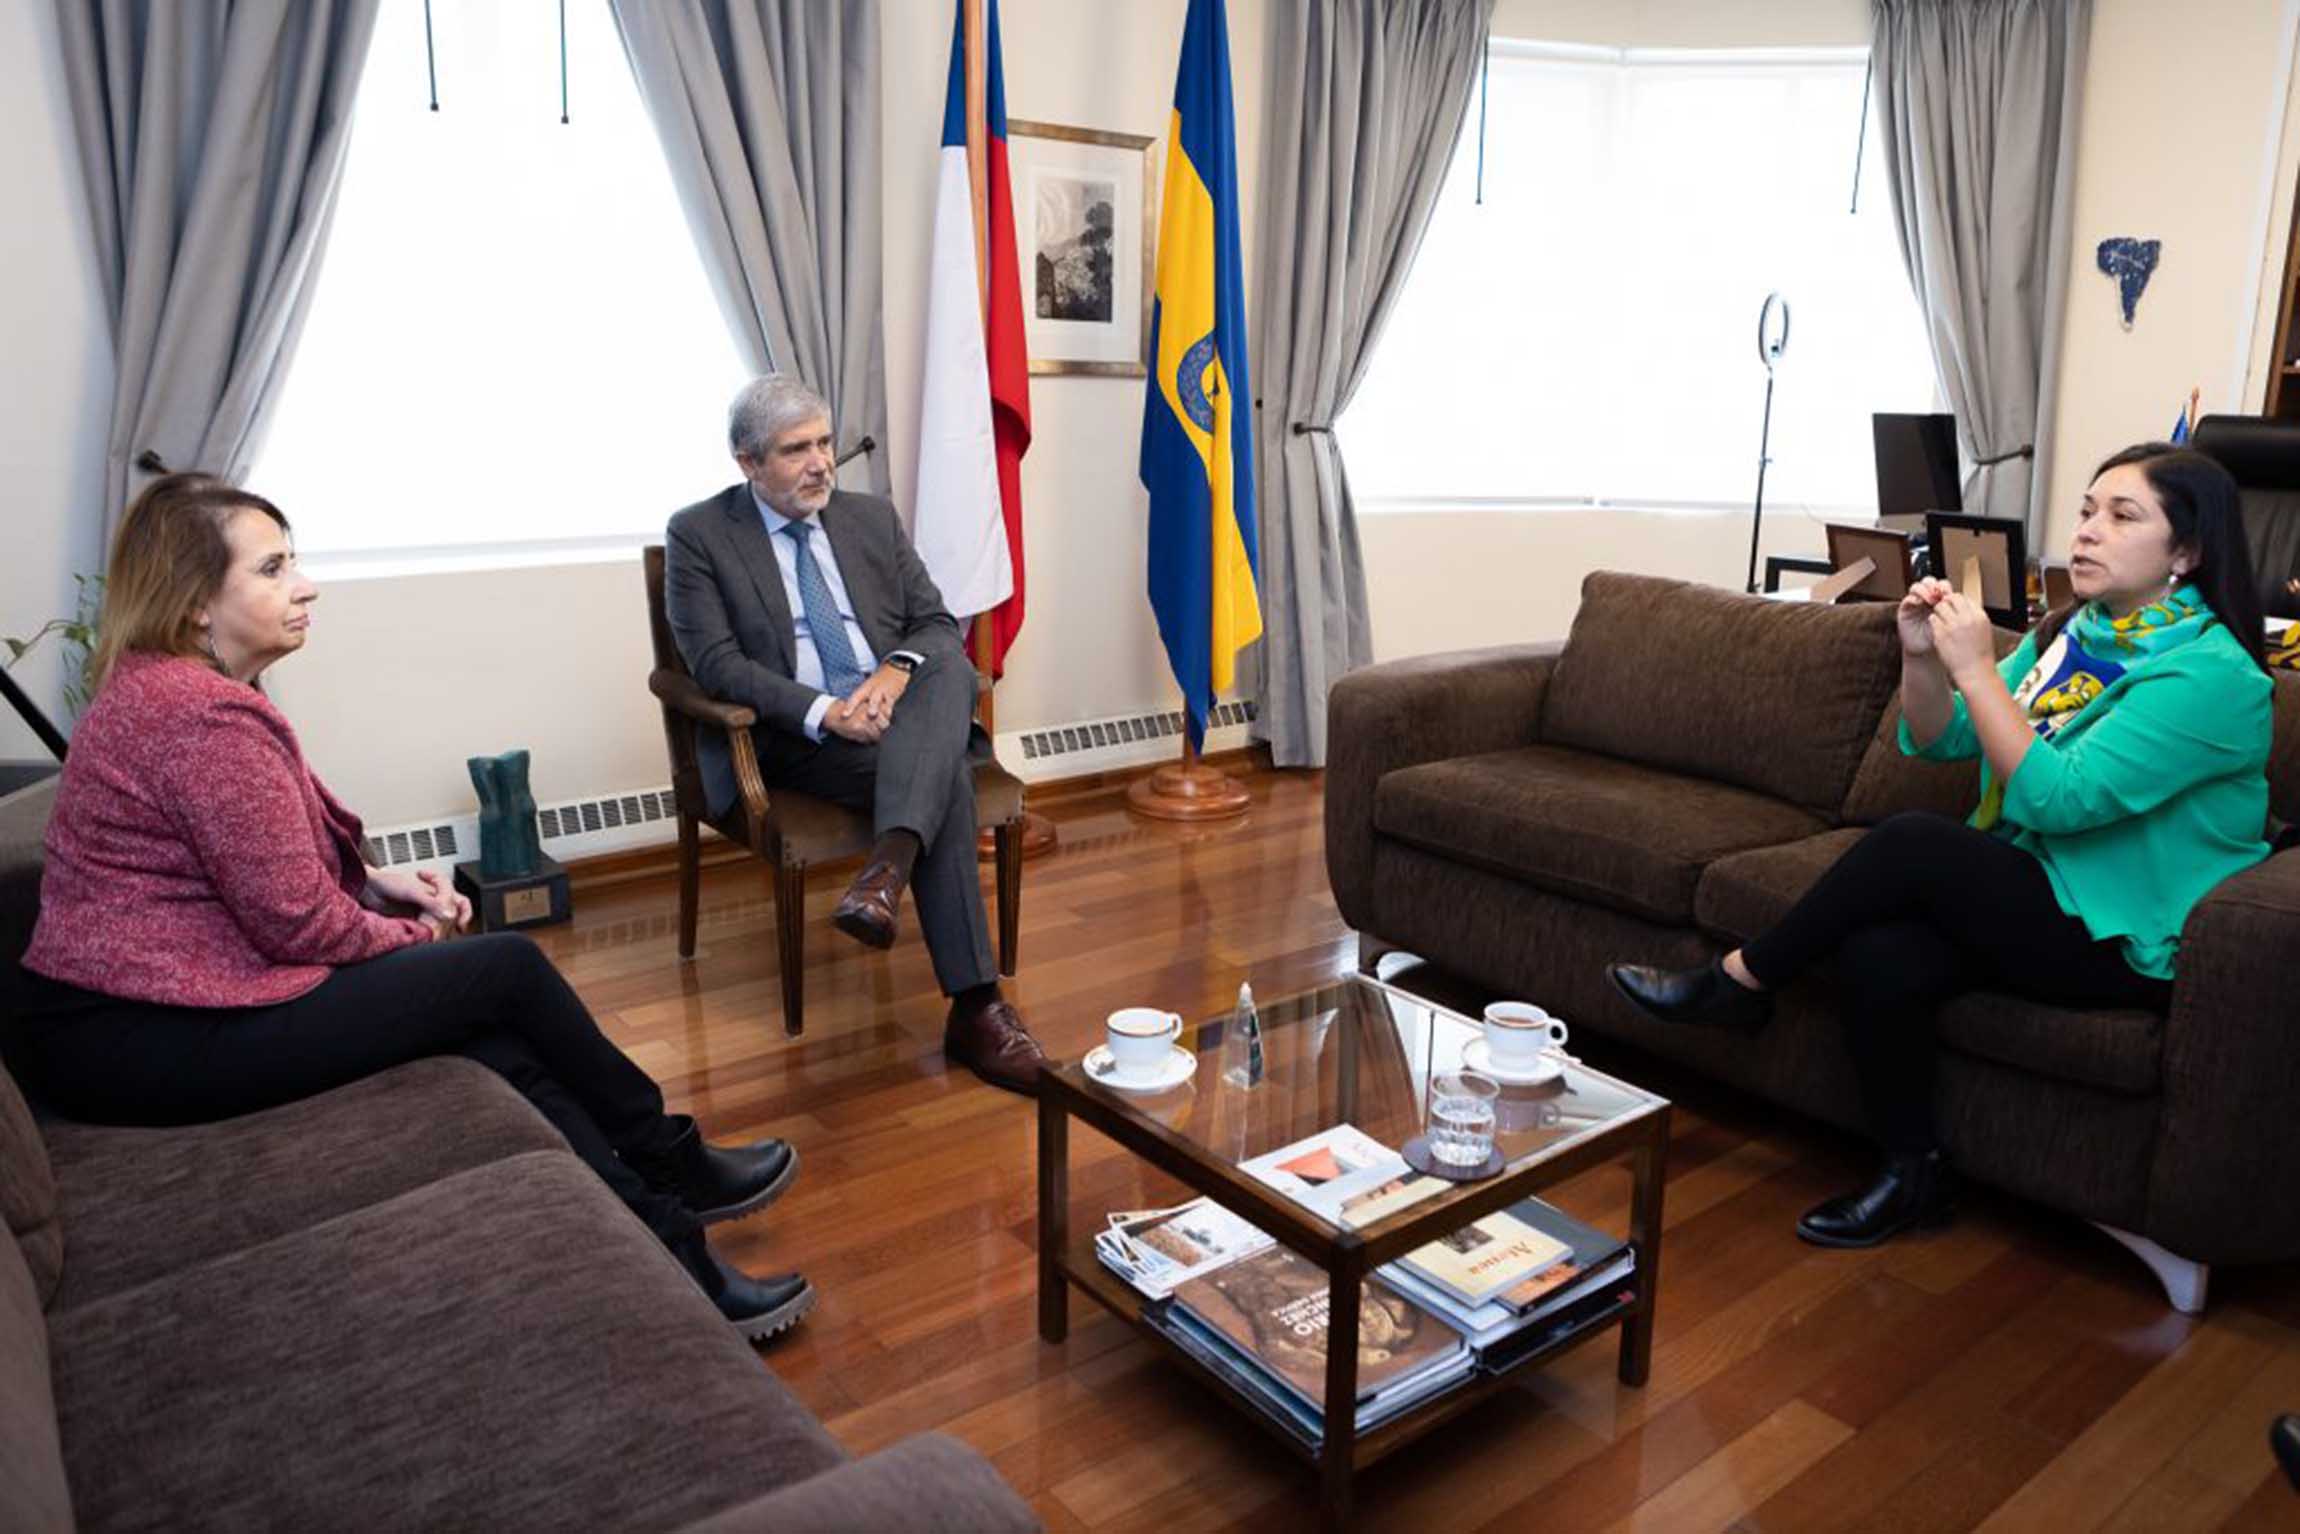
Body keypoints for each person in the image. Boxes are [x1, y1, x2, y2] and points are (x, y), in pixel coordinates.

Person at [6, 474, 814, 1342]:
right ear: (196, 602)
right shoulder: (201, 720)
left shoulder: (164, 685)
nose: (305, 586)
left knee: (493, 1036)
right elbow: (295, 925)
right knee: (500, 969)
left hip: (119, 1023)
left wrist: (373, 881)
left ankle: (677, 1248)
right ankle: (673, 1165)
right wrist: (408, 933)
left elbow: (246, 862)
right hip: (143, 1038)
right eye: (274, 569)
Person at [1608, 444, 2275, 1248]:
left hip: (2125, 937)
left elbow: (2058, 799)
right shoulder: (2079, 632)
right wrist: (1924, 660)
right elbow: (1942, 737)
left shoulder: (2215, 679)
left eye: (2122, 516)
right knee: (1882, 953)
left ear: (2189, 552)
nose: (2089, 533)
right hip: (2044, 888)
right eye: (2087, 510)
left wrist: (1979, 665)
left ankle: (1740, 982)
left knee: (1914, 843)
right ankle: (1912, 1173)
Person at [663, 374, 1045, 1094]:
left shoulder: (869, 518)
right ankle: (976, 1008)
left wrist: (893, 676)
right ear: (747, 462)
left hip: (895, 715)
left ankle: (884, 874)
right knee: (949, 783)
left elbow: (933, 624)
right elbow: (716, 664)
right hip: (795, 736)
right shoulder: (700, 534)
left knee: (945, 670)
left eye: (826, 443)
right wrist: (825, 711)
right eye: (796, 450)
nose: (821, 464)